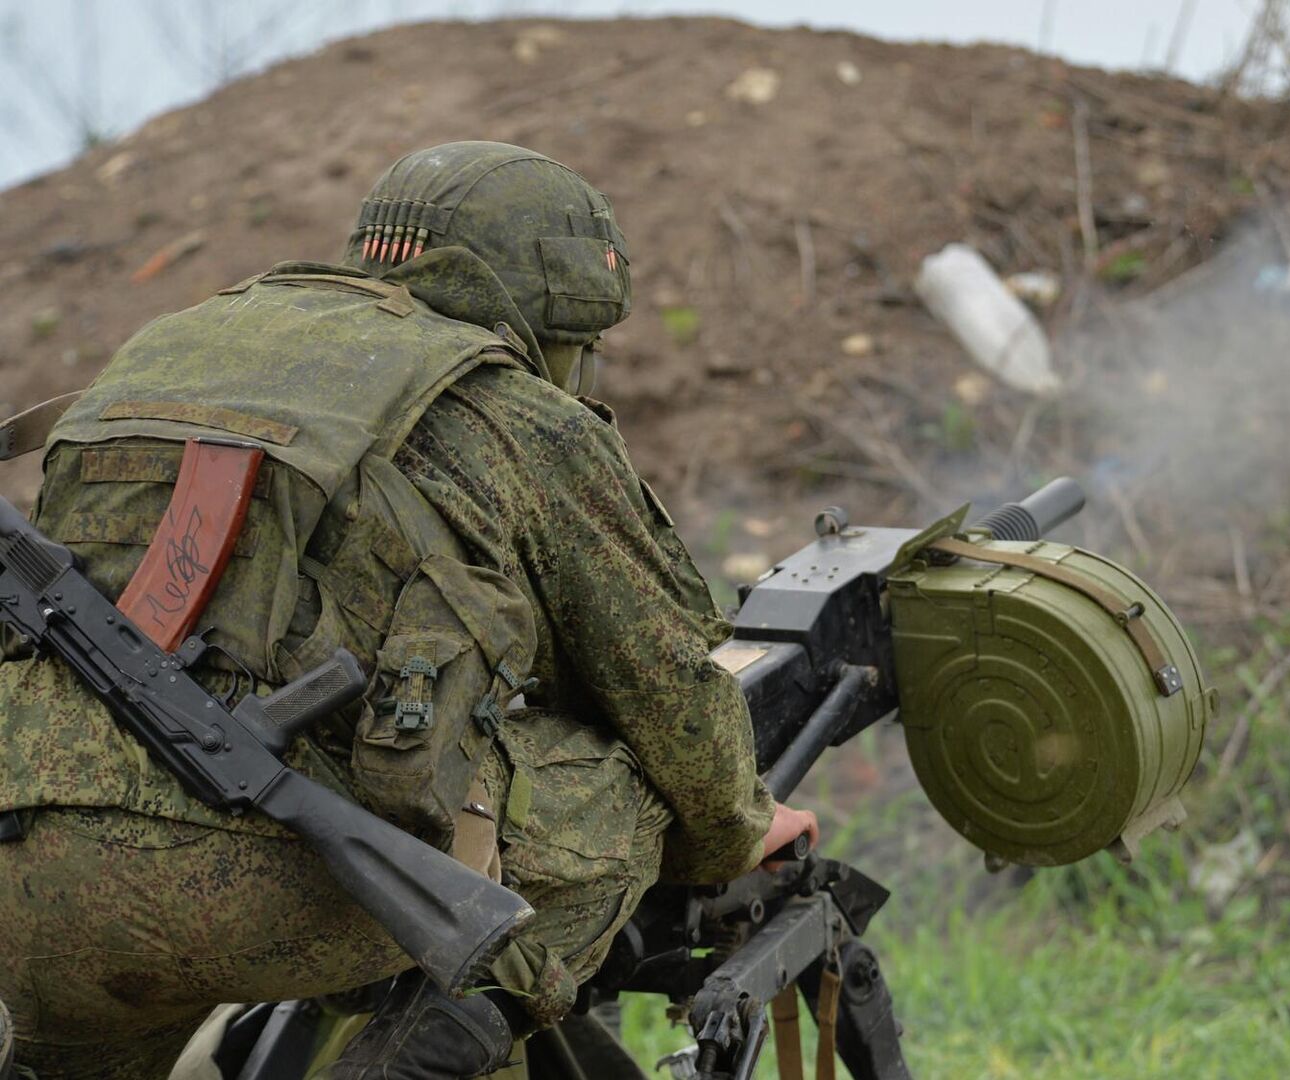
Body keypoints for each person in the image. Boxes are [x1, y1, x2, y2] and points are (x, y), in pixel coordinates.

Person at [0, 141, 817, 1080]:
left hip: (23, 867)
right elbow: (669, 694)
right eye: (582, 345)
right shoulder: (509, 408)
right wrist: (735, 829)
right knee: (626, 793)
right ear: (544, 310)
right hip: (253, 875)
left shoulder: (166, 352)